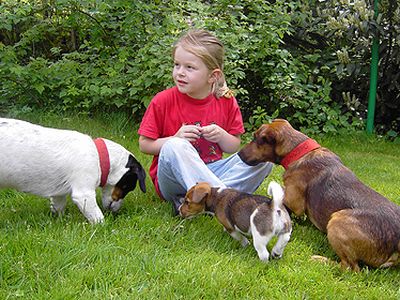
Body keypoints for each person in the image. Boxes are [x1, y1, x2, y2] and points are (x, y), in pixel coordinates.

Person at [138, 29, 272, 214]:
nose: (180, 73)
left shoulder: (225, 100)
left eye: (189, 67)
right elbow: (144, 145)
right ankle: (225, 202)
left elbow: (233, 146)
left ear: (213, 76)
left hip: (212, 171)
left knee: (265, 157)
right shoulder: (163, 100)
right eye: (177, 65)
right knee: (174, 145)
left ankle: (206, 200)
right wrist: (174, 138)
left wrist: (221, 135)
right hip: (172, 181)